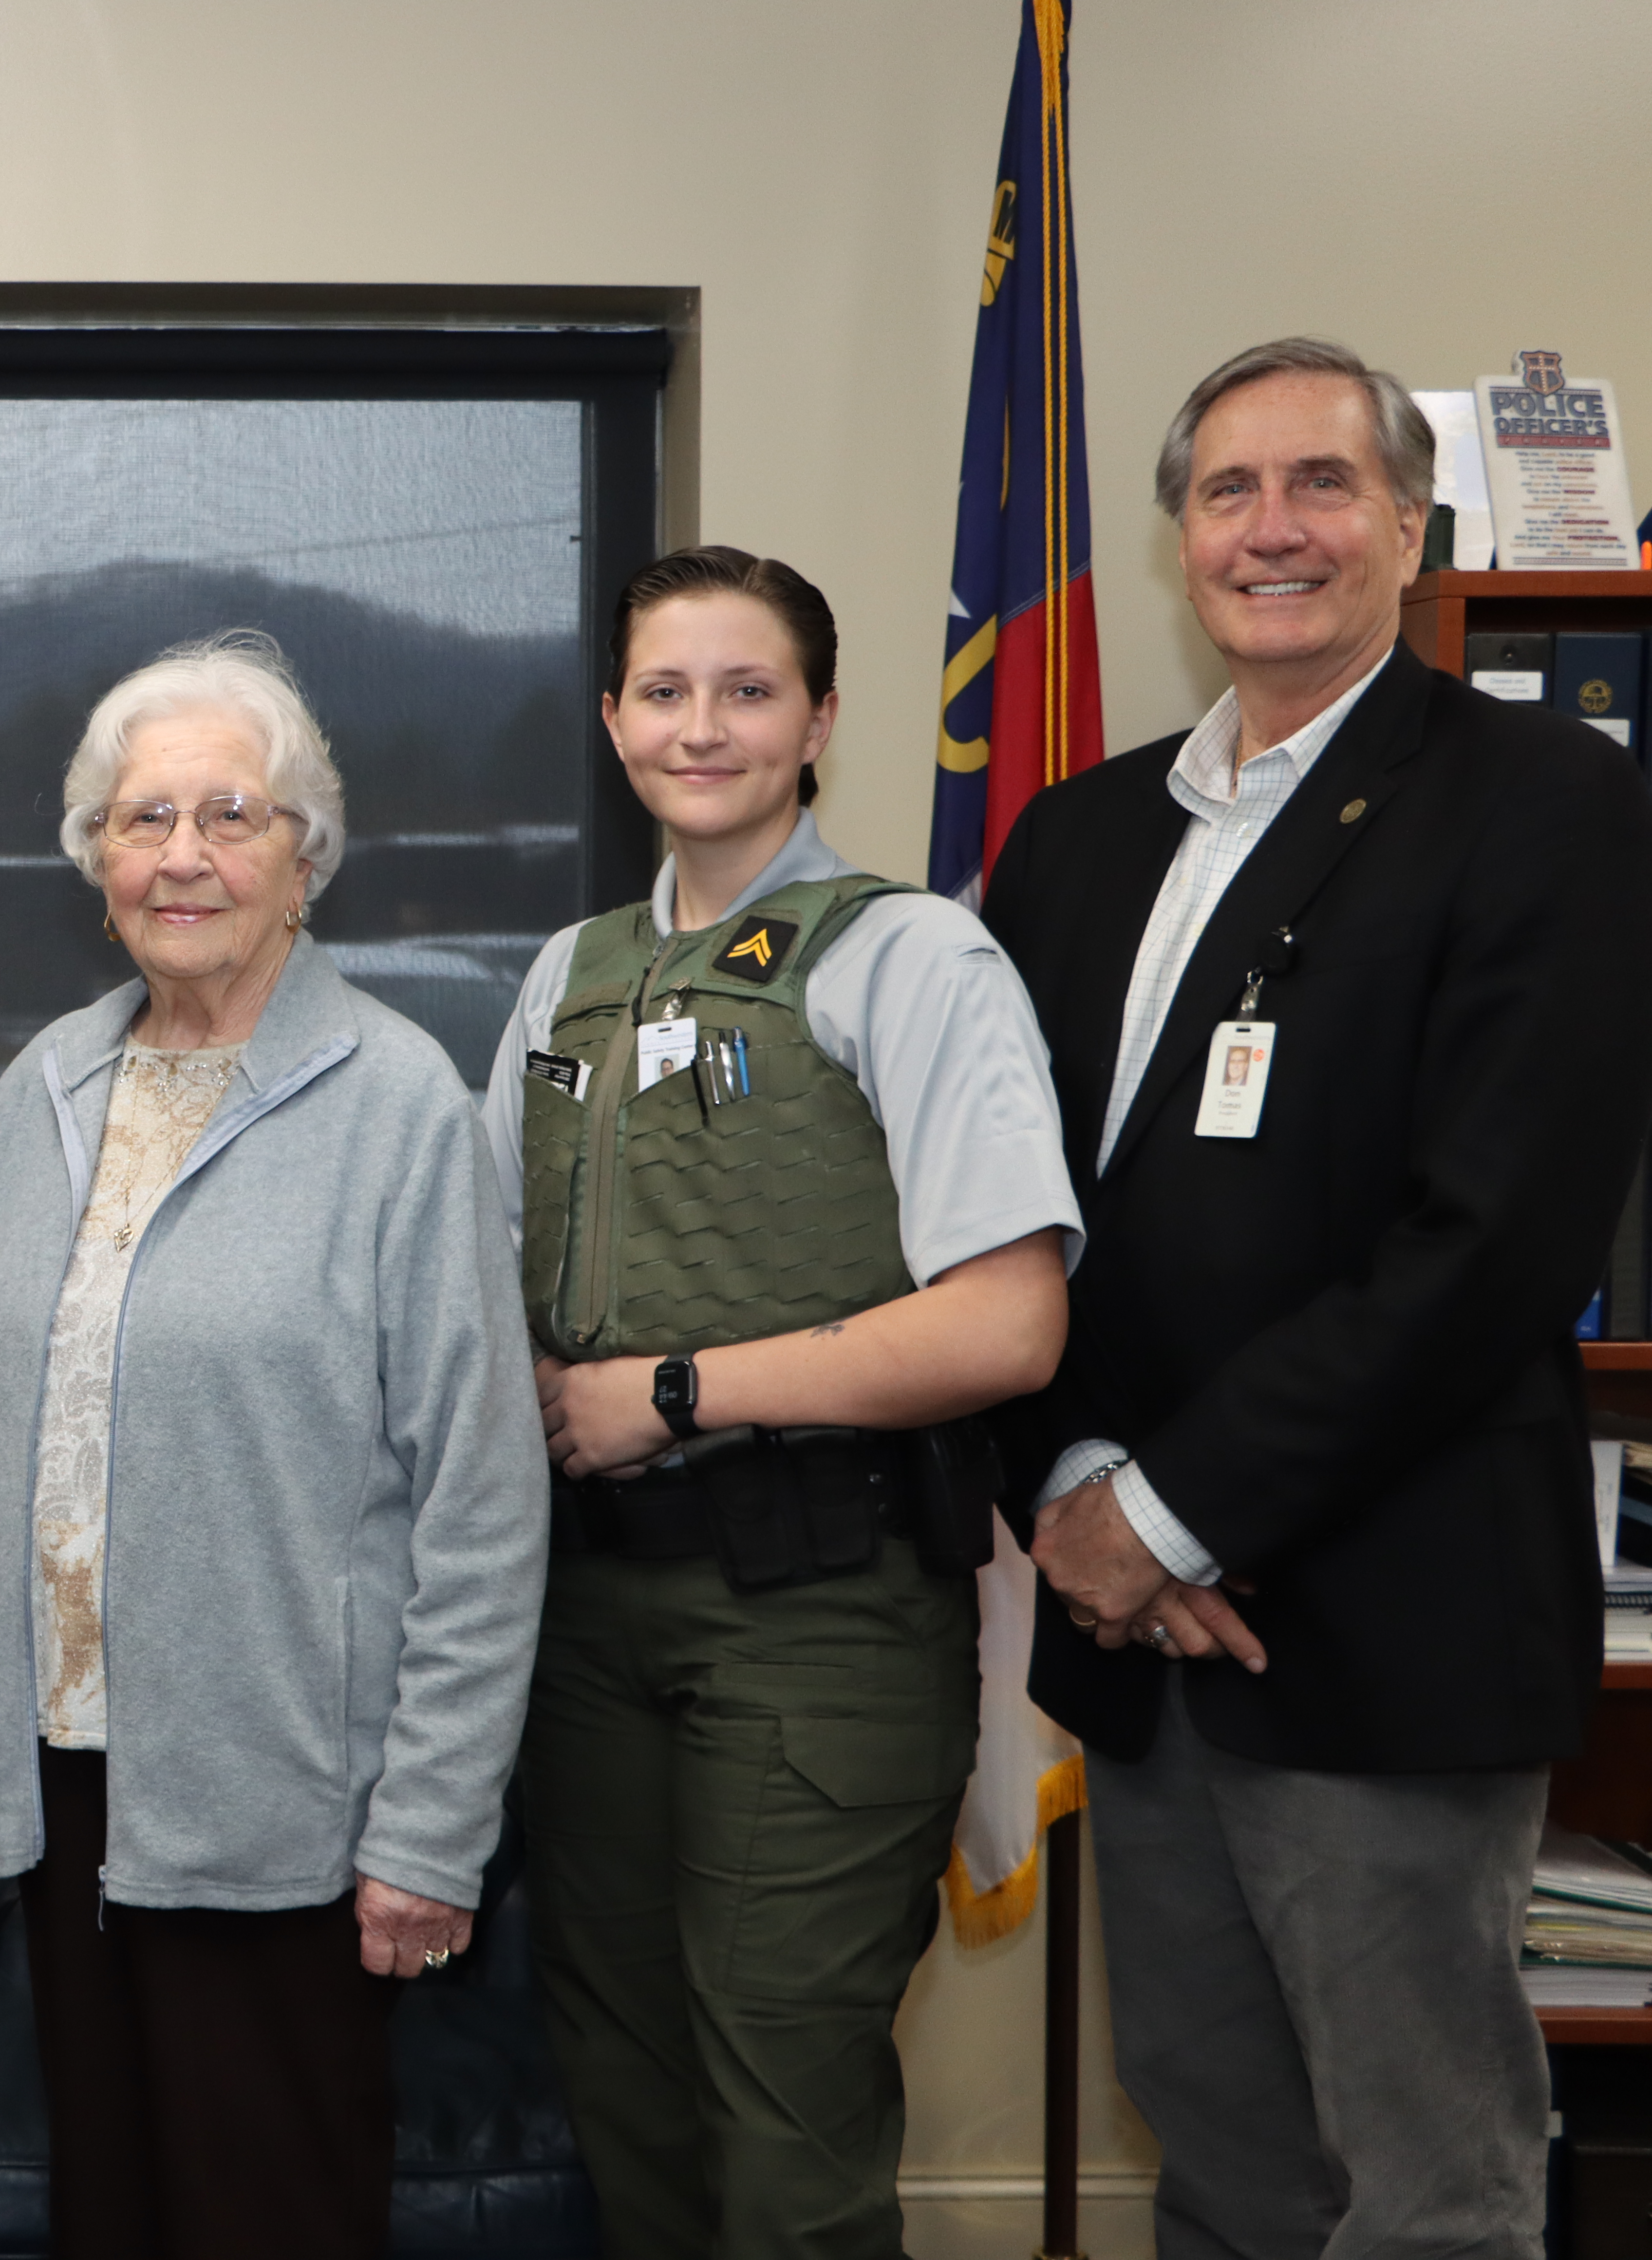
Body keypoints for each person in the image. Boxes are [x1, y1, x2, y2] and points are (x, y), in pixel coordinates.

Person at [987, 337, 1652, 2260]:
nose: (1273, 529)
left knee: (1424, 2187)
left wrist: (1167, 1509)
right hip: (1135, 1633)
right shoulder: (1077, 837)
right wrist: (1086, 1476)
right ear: (1179, 533)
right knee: (1222, 2162)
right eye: (1228, 491)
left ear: (1411, 522)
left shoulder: (1546, 799)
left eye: (1323, 484)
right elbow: (1003, 1216)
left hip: (1387, 1619)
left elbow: (1497, 1243)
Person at [0, 631, 545, 2260]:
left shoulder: (401, 1107)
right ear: (93, 859)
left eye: (230, 815)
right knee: (107, 2222)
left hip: (286, 1815)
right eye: (142, 819)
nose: (181, 854)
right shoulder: (37, 1091)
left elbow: (482, 1501)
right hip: (59, 1788)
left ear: (304, 856)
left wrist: (426, 1834)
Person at [478, 546, 1077, 2260]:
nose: (703, 726)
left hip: (812, 1613)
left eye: (748, 690)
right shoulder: (569, 975)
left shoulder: (909, 959)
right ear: (611, 720)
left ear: (819, 719)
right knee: (631, 2111)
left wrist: (669, 1393)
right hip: (586, 1621)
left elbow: (1009, 1322)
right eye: (664, 691)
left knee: (785, 2142)